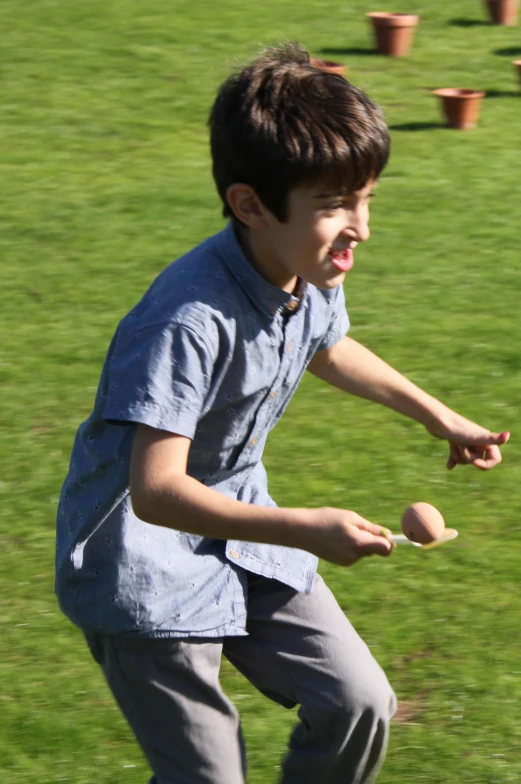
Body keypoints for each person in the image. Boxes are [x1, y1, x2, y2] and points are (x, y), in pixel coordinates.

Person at [55, 43, 509, 784]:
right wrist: (306, 526)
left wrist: (439, 417)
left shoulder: (305, 267)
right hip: (141, 565)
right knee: (207, 777)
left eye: (364, 197)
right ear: (249, 205)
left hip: (242, 529)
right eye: (334, 204)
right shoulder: (187, 321)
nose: (359, 225)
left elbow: (325, 346)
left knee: (358, 702)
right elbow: (157, 492)